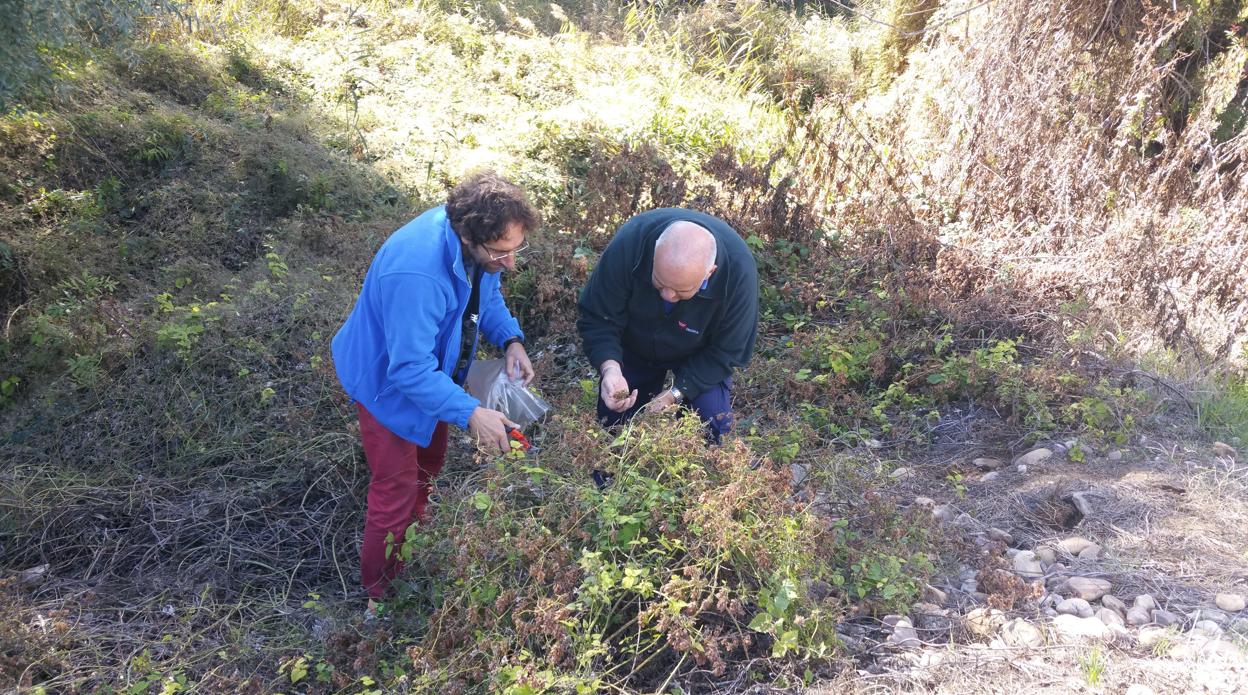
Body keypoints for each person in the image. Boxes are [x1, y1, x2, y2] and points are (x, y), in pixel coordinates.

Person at [332, 171, 537, 605]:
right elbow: (407, 370)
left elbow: (487, 294)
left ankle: (410, 553)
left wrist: (511, 339)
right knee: (395, 489)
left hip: (434, 376)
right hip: (386, 385)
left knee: (427, 468)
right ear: (468, 236)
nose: (511, 262)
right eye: (502, 252)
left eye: (517, 250)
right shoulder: (418, 273)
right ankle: (380, 599)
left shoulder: (478, 244)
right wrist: (469, 412)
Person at [577, 208, 758, 443]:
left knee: (710, 425)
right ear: (653, 256)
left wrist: (676, 392)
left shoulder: (738, 274)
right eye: (659, 283)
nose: (667, 295)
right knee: (616, 425)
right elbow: (599, 317)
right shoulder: (631, 243)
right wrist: (610, 368)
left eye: (681, 291)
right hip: (635, 343)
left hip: (698, 353)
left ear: (709, 273)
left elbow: (728, 351)